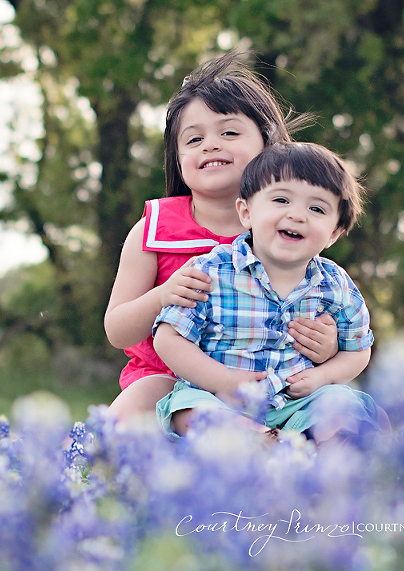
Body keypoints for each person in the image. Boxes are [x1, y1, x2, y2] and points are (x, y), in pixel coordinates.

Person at [104, 51, 339, 425]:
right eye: (194, 139)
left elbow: (324, 306)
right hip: (171, 381)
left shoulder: (290, 229)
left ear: (267, 143)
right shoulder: (154, 231)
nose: (210, 144)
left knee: (341, 410)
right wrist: (163, 296)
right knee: (122, 418)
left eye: (228, 132)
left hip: (267, 384)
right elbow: (117, 330)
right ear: (176, 156)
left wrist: (327, 346)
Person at [153, 142, 382, 445]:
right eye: (281, 200)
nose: (298, 215)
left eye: (316, 208)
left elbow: (357, 349)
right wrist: (223, 381)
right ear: (246, 212)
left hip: (299, 405)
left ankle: (329, 460)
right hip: (221, 398)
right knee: (189, 409)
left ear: (334, 232)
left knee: (343, 404)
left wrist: (323, 377)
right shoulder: (211, 271)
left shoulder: (335, 284)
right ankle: (258, 443)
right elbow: (168, 339)